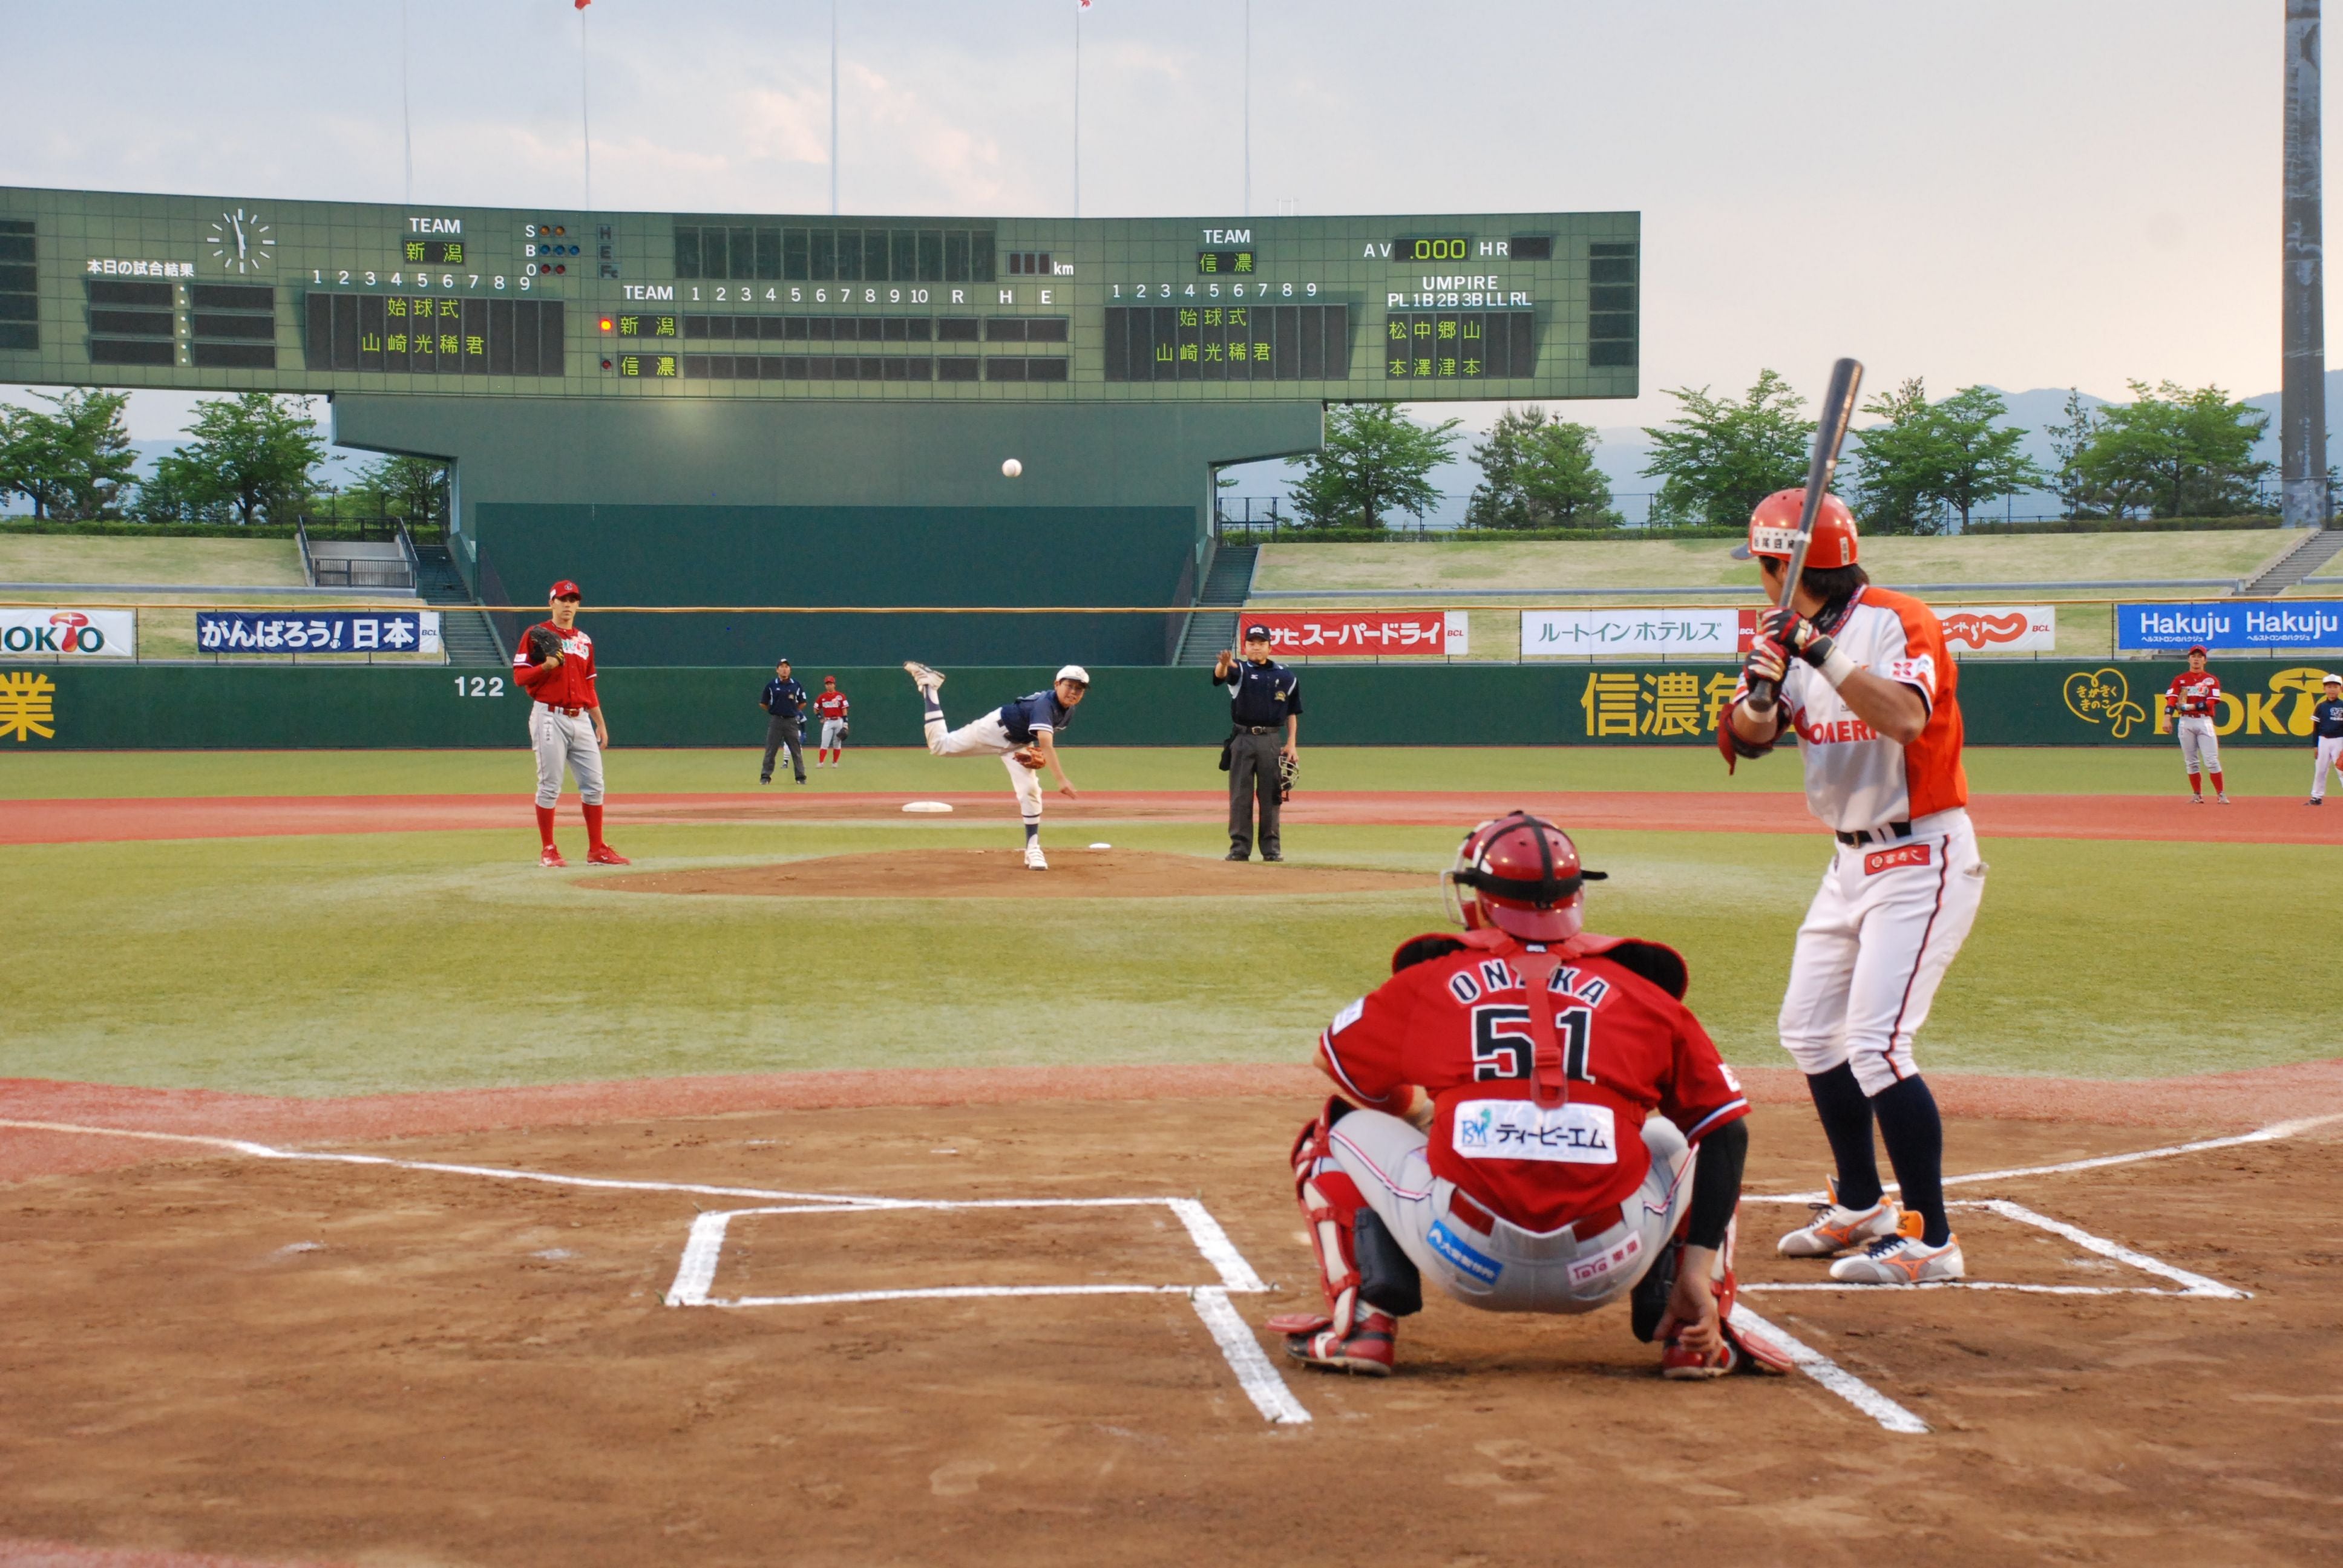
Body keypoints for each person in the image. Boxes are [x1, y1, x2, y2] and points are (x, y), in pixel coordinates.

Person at [1268, 811, 1793, 1381]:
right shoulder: (1645, 994)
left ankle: (1362, 1325)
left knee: (1333, 1132)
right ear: (1576, 897)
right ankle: (1697, 1330)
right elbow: (1726, 1132)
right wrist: (1696, 1271)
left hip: (1462, 1255)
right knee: (1691, 1133)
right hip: (1609, 1260)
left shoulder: (1433, 980)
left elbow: (1338, 1063)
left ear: (1482, 901)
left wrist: (1422, 1113)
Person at [1722, 488, 1979, 1285]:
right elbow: (1747, 738)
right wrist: (1765, 689)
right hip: (1848, 862)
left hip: (1922, 856)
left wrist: (1816, 651)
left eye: (1762, 566)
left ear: (1782, 565)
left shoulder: (1900, 620)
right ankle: (1862, 1202)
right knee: (1808, 1029)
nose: (1758, 580)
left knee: (1877, 1045)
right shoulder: (1779, 638)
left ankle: (1931, 1240)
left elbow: (1904, 718)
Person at [903, 661, 1087, 869]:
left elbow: (1039, 739)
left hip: (1018, 744)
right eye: (1069, 686)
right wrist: (1061, 779)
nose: (1073, 691)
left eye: (1079, 688)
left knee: (1030, 790)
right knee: (939, 746)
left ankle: (1033, 850)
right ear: (1057, 684)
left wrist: (1034, 752)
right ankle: (930, 687)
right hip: (994, 730)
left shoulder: (1068, 711)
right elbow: (1047, 744)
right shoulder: (1046, 704)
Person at [514, 578, 628, 869]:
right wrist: (546, 666)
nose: (568, 604)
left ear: (578, 604)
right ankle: (549, 850)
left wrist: (600, 723)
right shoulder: (537, 634)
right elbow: (519, 678)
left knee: (594, 785)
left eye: (573, 600)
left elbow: (589, 686)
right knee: (550, 785)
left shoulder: (585, 640)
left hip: (581, 720)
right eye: (563, 599)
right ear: (551, 602)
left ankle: (597, 849)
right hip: (549, 716)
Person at [1213, 622, 1301, 863]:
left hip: (1272, 739)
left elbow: (1292, 712)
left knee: (1271, 795)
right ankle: (1239, 848)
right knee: (1240, 796)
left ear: (1270, 647)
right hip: (1242, 738)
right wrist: (1223, 663)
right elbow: (1222, 675)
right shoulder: (1239, 669)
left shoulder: (1286, 677)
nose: (1256, 647)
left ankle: (1271, 849)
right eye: (1251, 643)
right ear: (1245, 646)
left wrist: (1291, 743)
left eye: (1261, 643)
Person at [2165, 647, 2227, 803]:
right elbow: (2172, 699)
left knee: (2211, 760)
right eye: (2194, 656)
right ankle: (2197, 795)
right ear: (2189, 659)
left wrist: (2193, 707)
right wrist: (2167, 717)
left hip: (2203, 720)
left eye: (2200, 656)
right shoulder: (2180, 679)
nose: (2197, 659)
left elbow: (2212, 701)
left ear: (2205, 660)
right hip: (2185, 721)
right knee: (2191, 761)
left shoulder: (2211, 680)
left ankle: (2221, 794)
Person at [759, 659, 808, 785]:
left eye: (787, 667)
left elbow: (803, 702)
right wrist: (773, 710)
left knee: (796, 751)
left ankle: (800, 777)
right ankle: (765, 777)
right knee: (771, 750)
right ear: (777, 670)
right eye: (781, 667)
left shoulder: (796, 685)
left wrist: (793, 711)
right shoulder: (772, 685)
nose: (784, 669)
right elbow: (763, 703)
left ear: (790, 670)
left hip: (791, 721)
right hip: (776, 721)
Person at [2311, 671, 2343, 806]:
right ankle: (2316, 797)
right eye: (2329, 687)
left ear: (2340, 689)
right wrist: (2315, 745)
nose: (2332, 689)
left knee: (2342, 769)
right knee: (2321, 769)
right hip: (2323, 740)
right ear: (2324, 689)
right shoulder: (2321, 707)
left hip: (2340, 740)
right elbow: (2316, 727)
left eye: (2335, 687)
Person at [812, 674, 851, 768]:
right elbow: (815, 708)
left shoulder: (841, 696)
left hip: (839, 720)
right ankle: (821, 762)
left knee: (837, 743)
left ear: (834, 685)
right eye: (827, 684)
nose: (829, 685)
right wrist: (820, 717)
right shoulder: (822, 697)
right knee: (824, 742)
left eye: (831, 683)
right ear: (825, 685)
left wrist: (845, 723)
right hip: (828, 721)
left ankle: (835, 762)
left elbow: (844, 709)